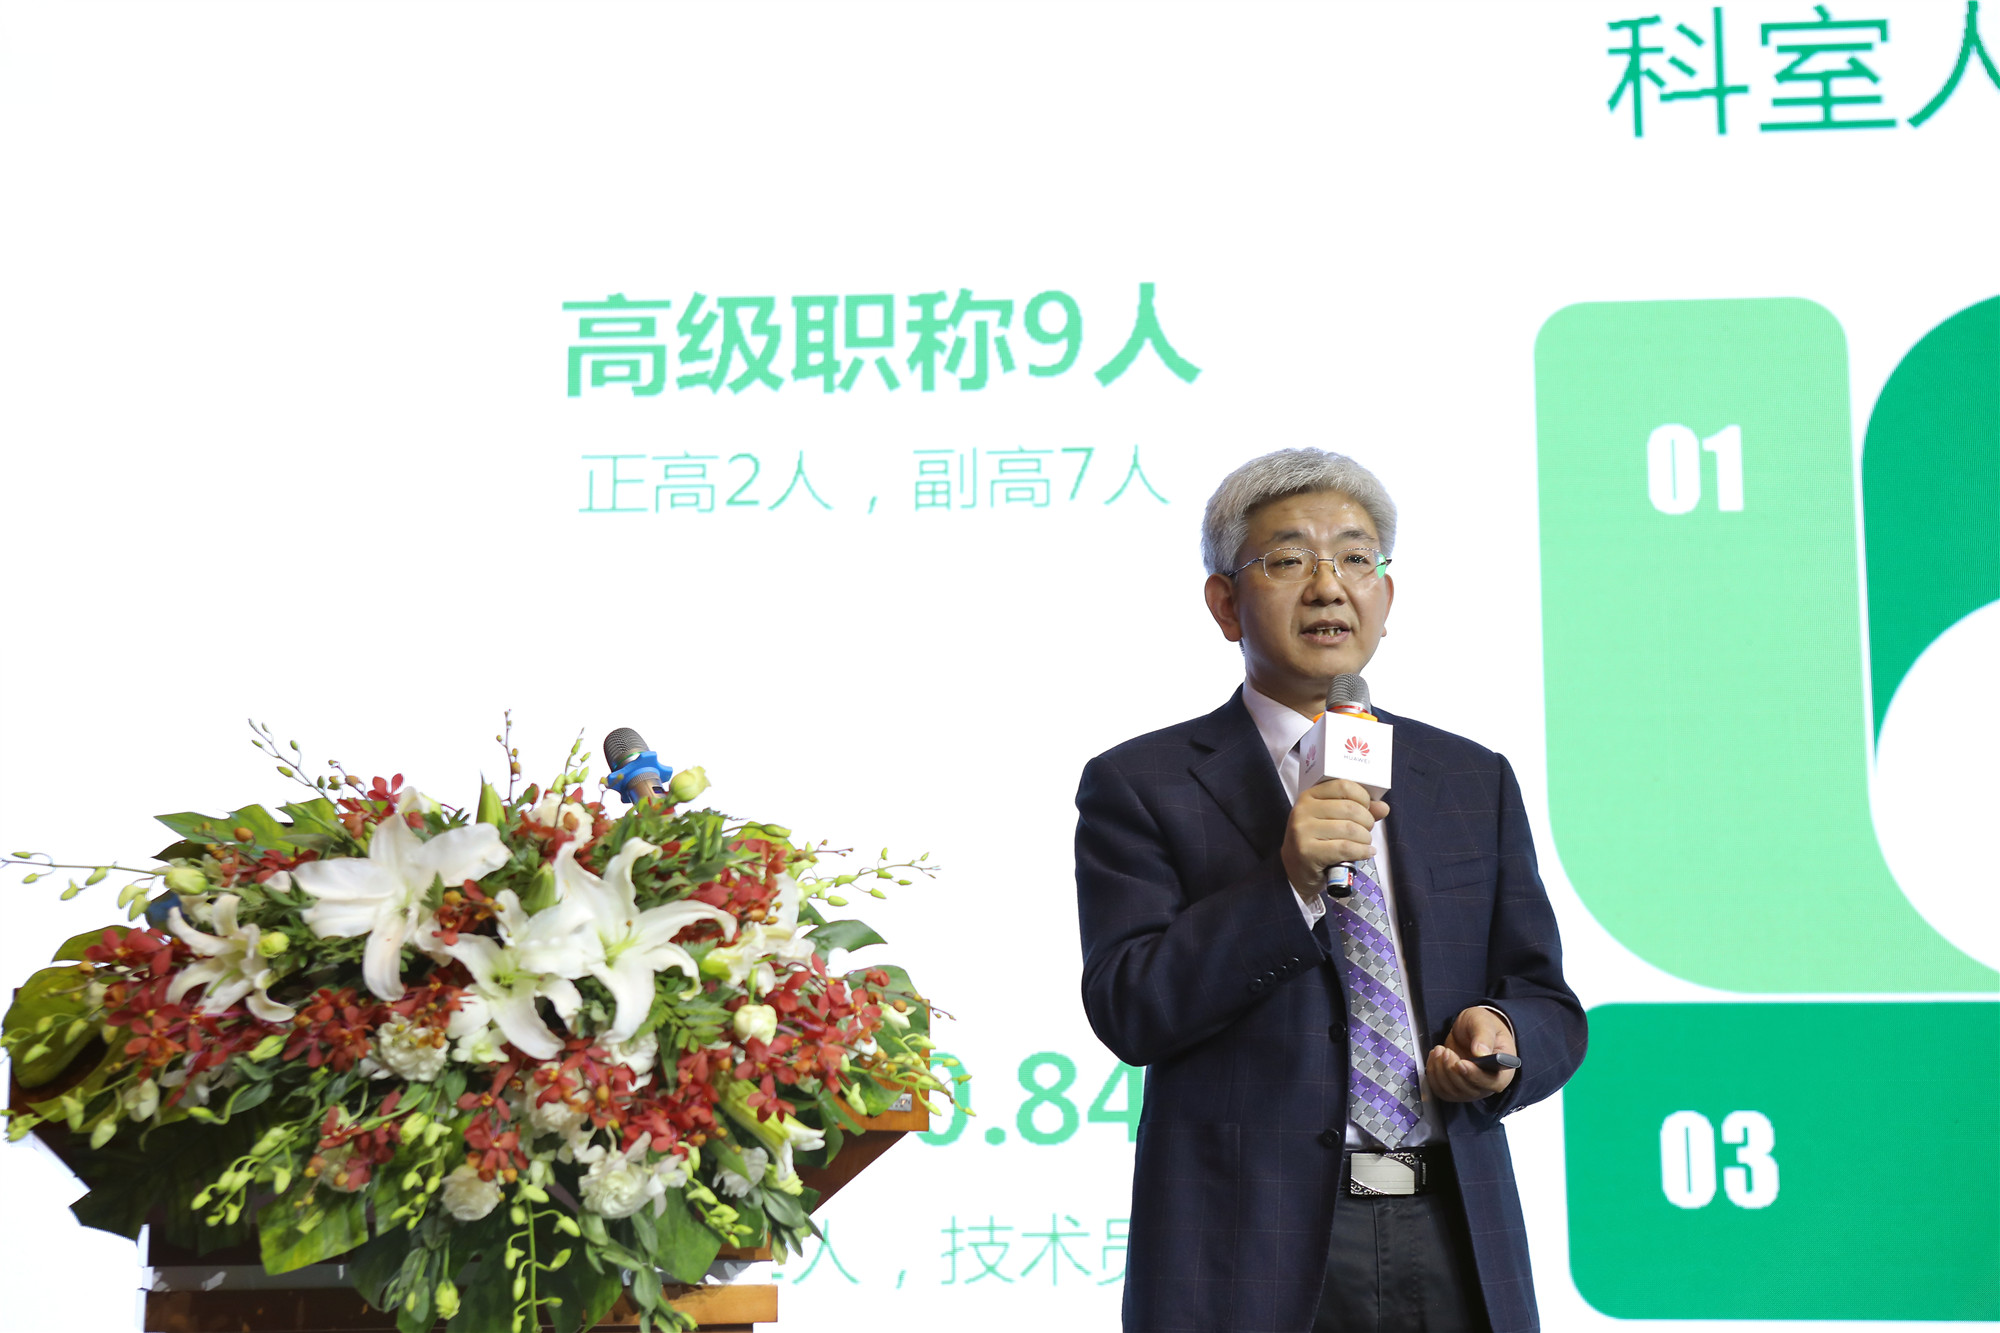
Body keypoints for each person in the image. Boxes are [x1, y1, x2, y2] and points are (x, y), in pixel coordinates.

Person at [1075, 448, 1586, 1333]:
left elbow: (1548, 1002)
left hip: (1453, 1229)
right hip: (1246, 1253)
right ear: (1225, 603)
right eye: (1288, 559)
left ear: (1386, 594)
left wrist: (1502, 1037)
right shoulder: (1141, 783)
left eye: (1355, 557)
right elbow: (1131, 1007)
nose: (1328, 586)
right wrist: (1288, 884)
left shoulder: (1471, 778)